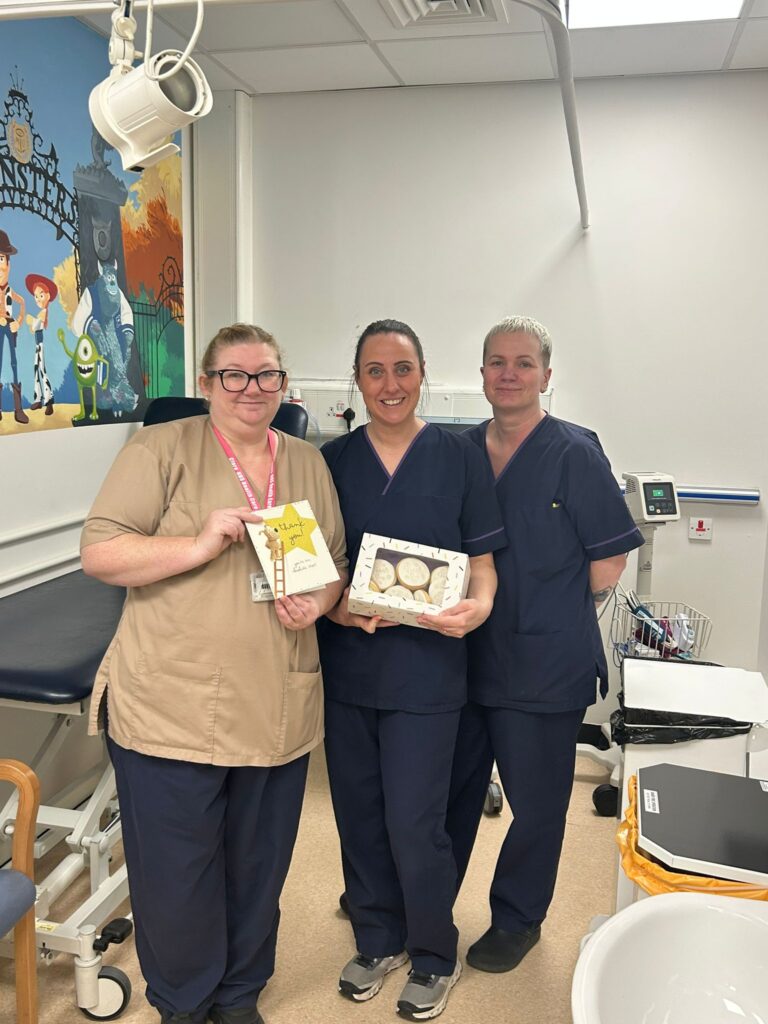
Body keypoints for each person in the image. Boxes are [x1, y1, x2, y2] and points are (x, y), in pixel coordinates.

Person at [80, 323, 347, 1024]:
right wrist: (199, 545)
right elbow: (102, 554)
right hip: (171, 701)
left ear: (283, 385)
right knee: (177, 875)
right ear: (206, 384)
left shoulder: (307, 463)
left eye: (266, 375)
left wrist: (315, 600)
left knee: (258, 869)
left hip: (276, 700)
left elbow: (334, 566)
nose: (252, 389)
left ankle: (237, 995)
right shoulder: (160, 449)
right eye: (235, 375)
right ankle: (187, 1003)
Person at [318, 319, 505, 1021]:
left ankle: (433, 951)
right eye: (374, 371)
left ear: (422, 374)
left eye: (402, 369)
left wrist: (478, 610)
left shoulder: (460, 458)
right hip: (350, 669)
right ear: (358, 380)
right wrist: (338, 612)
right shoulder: (331, 460)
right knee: (358, 814)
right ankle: (377, 938)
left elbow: (481, 566)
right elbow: (320, 570)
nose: (389, 385)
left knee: (415, 821)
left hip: (429, 672)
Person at [446, 315, 644, 973]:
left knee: (535, 805)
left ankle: (517, 919)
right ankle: (424, 903)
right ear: (482, 375)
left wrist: (540, 605)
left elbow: (606, 568)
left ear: (546, 377)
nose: (509, 373)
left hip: (544, 661)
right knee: (447, 793)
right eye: (497, 362)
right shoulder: (462, 451)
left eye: (523, 363)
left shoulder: (574, 453)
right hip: (464, 656)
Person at [0, 228, 29, 424]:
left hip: (10, 327)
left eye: (1, 259)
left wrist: (18, 321)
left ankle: (18, 409)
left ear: (8, 265)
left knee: (14, 364)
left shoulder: (11, 291)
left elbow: (22, 302)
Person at [25, 272, 57, 415]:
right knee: (36, 369)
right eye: (36, 296)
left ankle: (48, 400)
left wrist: (31, 320)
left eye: (41, 295)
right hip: (38, 344)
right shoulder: (41, 313)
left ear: (48, 296)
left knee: (42, 371)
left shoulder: (43, 312)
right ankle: (38, 398)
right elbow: (33, 329)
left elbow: (35, 327)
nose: (38, 299)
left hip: (42, 344)